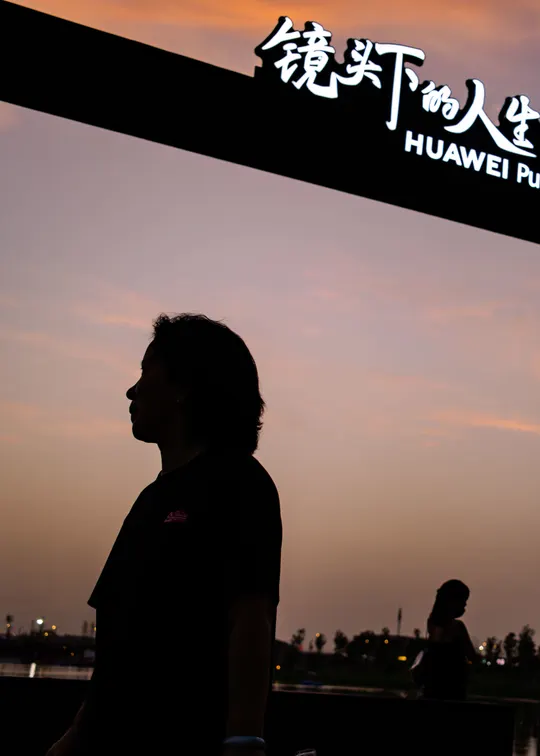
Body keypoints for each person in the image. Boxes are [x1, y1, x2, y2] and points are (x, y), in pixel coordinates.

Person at [46, 313, 282, 756]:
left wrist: (244, 740)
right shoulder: (149, 501)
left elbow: (251, 616)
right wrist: (76, 736)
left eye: (144, 371)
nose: (131, 391)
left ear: (182, 386)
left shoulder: (240, 482)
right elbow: (115, 647)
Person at [415, 579, 477, 700]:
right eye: (463, 601)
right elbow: (471, 655)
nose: (465, 605)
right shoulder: (457, 627)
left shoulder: (432, 624)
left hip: (433, 686)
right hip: (453, 687)